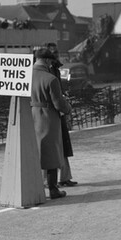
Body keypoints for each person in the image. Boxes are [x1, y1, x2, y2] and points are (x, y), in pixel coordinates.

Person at [31, 48, 72, 200]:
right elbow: (59, 104)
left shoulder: (26, 76)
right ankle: (53, 189)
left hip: (32, 115)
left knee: (35, 152)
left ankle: (36, 187)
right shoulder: (50, 79)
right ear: (48, 61)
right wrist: (68, 108)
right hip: (48, 117)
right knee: (52, 154)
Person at [46, 42, 78, 187]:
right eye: (53, 53)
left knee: (63, 144)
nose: (55, 55)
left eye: (56, 52)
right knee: (50, 146)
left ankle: (64, 177)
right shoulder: (46, 71)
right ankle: (48, 180)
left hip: (58, 110)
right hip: (51, 111)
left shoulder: (56, 70)